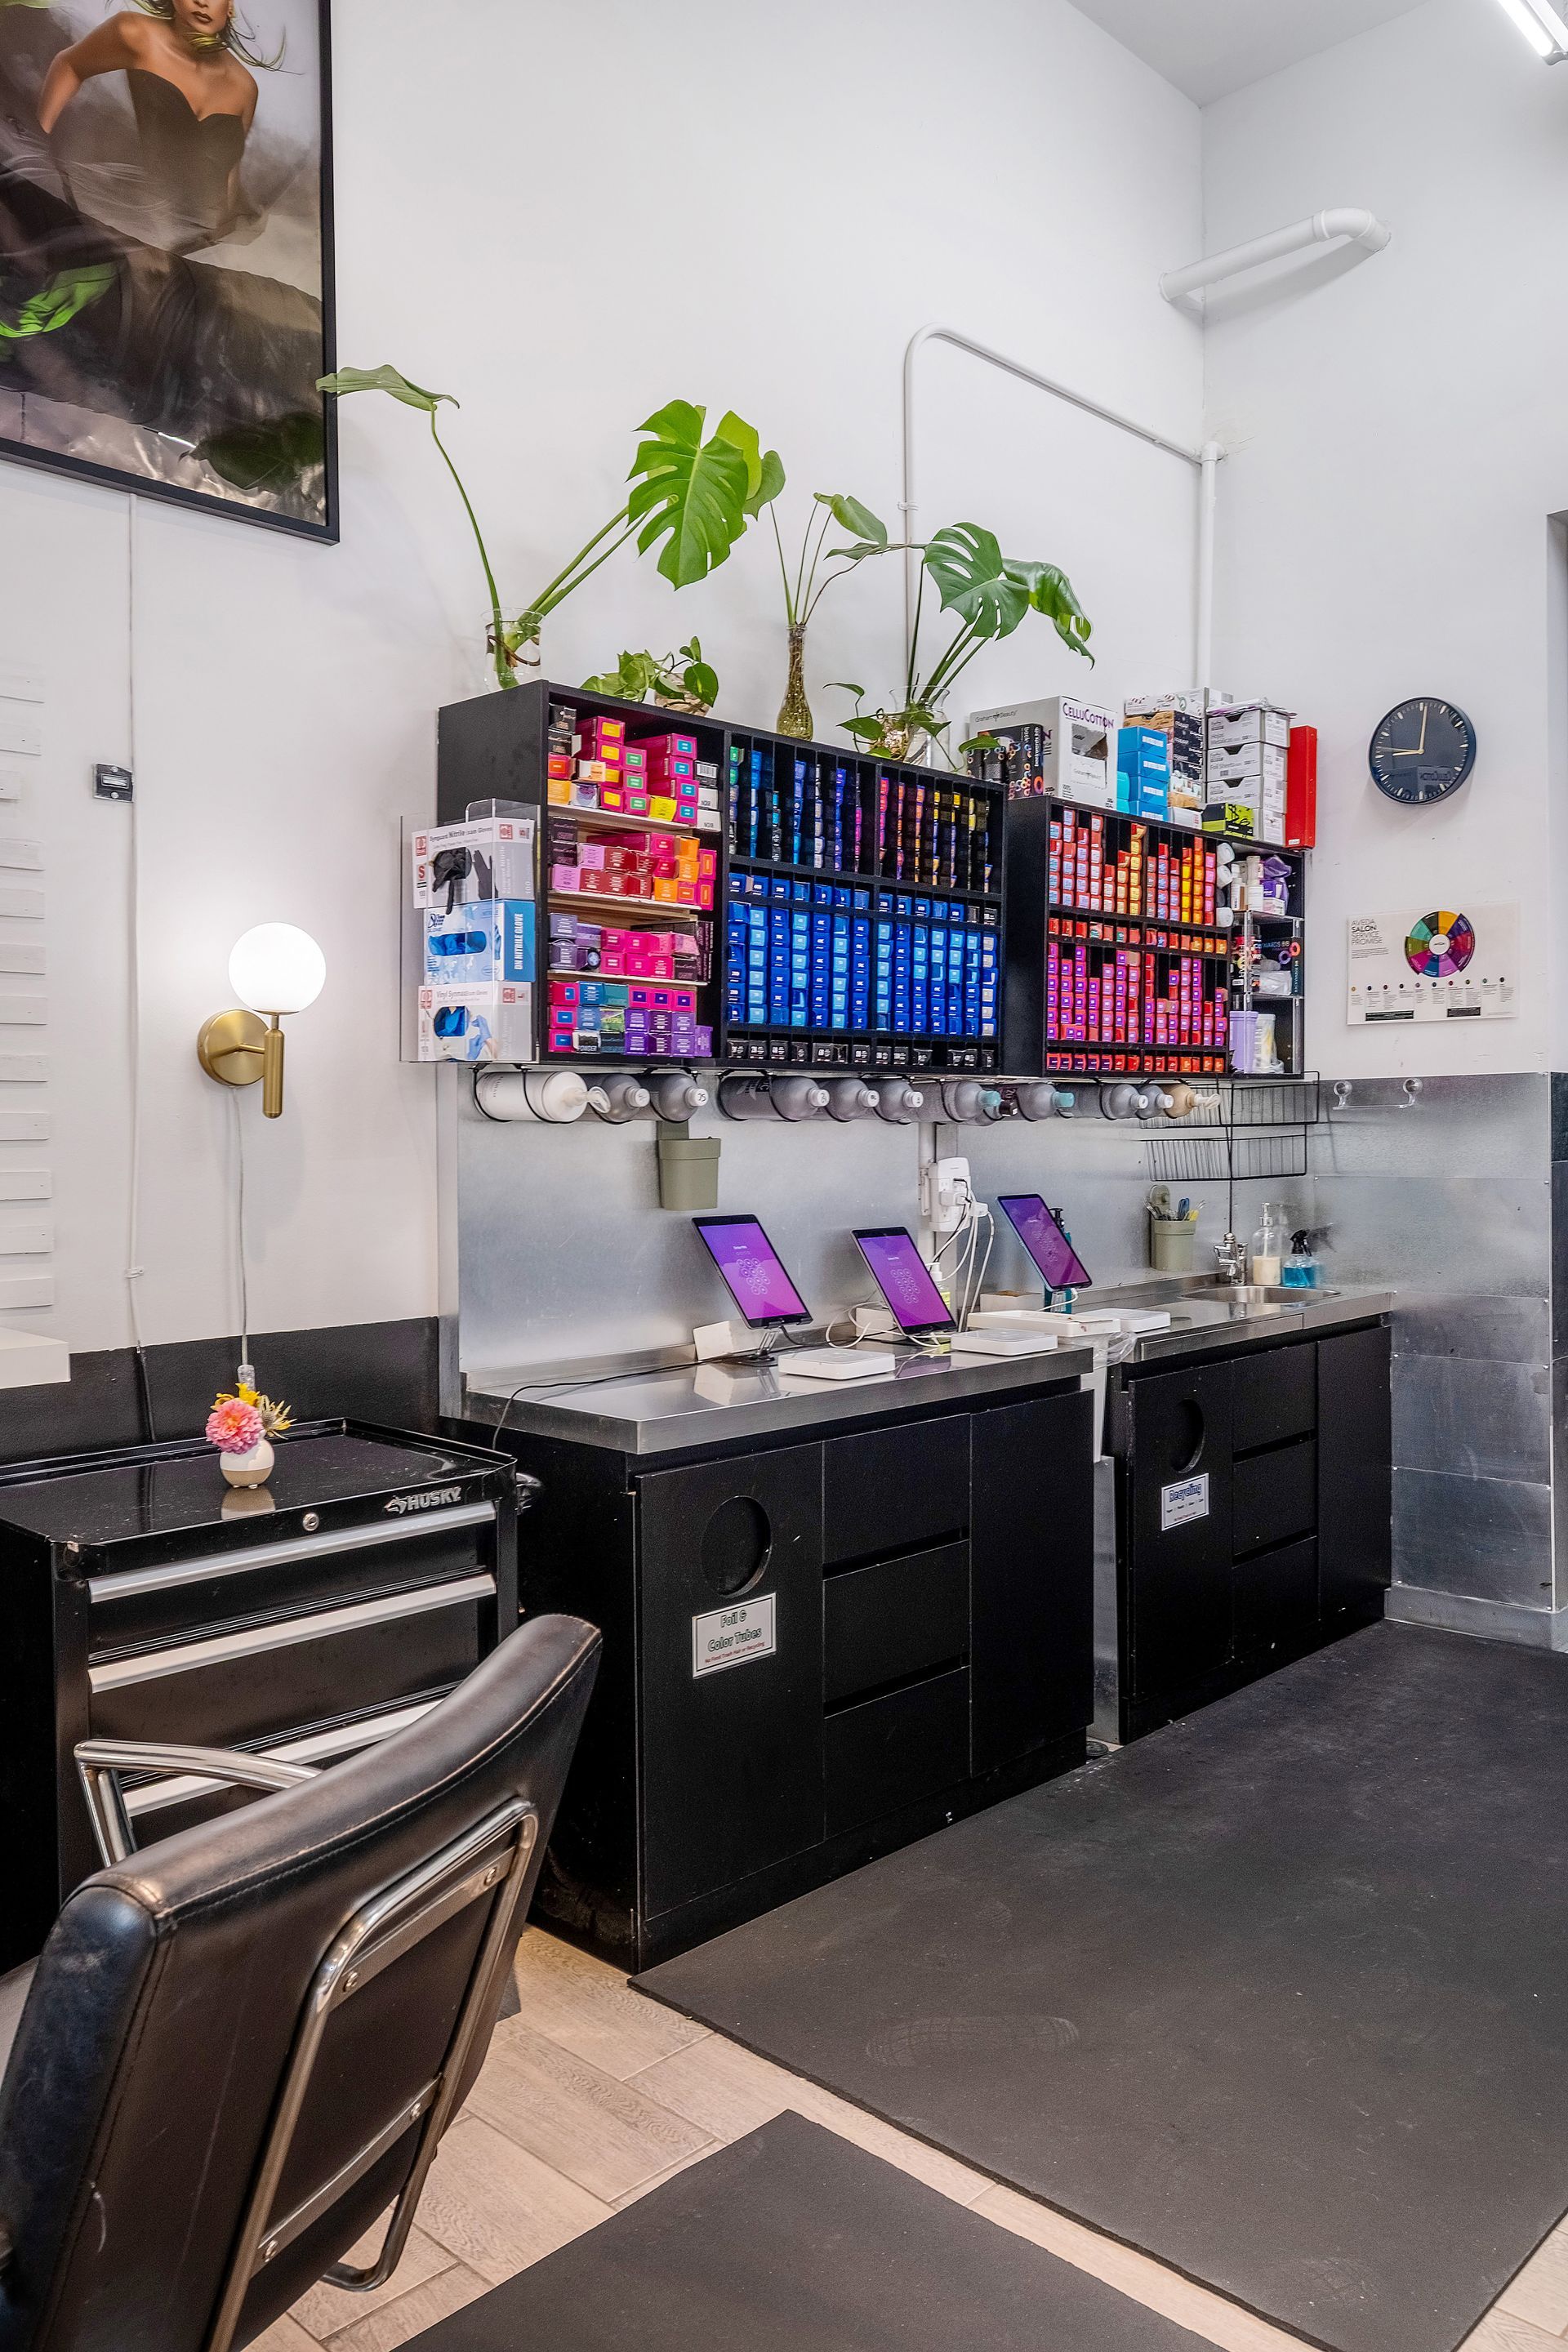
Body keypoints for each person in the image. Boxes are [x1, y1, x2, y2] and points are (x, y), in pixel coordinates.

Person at [37, 0, 278, 251]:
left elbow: (230, 173)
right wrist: (38, 146)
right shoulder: (136, 34)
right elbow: (69, 66)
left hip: (198, 238)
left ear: (230, 7)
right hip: (136, 213)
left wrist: (224, 237)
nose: (202, 2)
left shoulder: (244, 87)